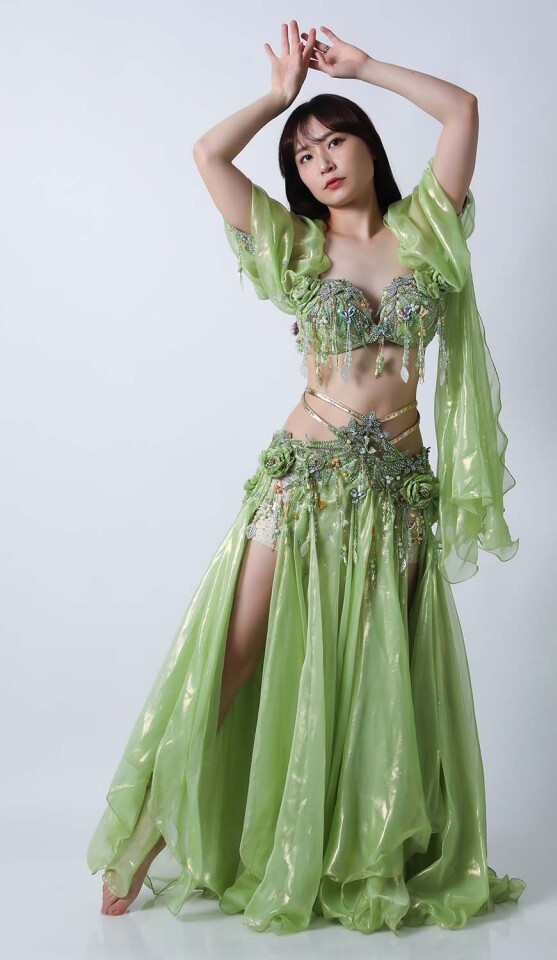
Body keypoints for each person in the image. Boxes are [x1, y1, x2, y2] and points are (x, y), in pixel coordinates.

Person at [87, 21, 526, 936]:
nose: (321, 160)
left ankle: (349, 851)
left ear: (368, 147)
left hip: (397, 497)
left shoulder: (426, 227)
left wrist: (362, 69)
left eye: (335, 140)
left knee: (373, 674)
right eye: (304, 152)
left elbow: (462, 110)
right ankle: (146, 834)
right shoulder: (296, 244)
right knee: (238, 652)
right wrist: (276, 97)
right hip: (303, 483)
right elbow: (208, 156)